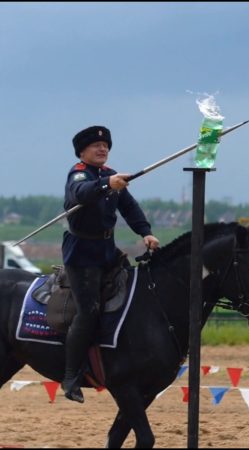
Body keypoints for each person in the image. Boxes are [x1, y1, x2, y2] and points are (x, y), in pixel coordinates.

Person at [60, 125, 160, 403]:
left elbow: (128, 207)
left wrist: (146, 232)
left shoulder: (109, 175)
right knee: (88, 310)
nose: (102, 149)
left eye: (105, 146)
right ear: (82, 151)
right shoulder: (79, 172)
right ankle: (71, 376)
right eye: (96, 146)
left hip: (106, 250)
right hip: (81, 254)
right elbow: (80, 193)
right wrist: (107, 185)